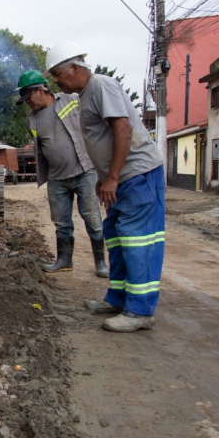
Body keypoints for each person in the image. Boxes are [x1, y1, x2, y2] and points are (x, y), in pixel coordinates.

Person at [44, 42, 165, 333]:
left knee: (137, 240)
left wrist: (111, 177)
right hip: (120, 179)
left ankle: (140, 311)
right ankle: (119, 298)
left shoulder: (100, 85)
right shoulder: (86, 94)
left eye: (58, 74)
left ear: (74, 67)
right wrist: (105, 177)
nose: (56, 81)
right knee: (117, 236)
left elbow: (122, 128)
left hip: (138, 176)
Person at [16, 70, 109, 277]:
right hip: (56, 177)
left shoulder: (71, 99)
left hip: (84, 171)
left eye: (29, 97)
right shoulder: (31, 119)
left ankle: (101, 263)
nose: (28, 103)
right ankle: (64, 260)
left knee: (92, 218)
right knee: (61, 222)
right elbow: (42, 146)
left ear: (40, 90)